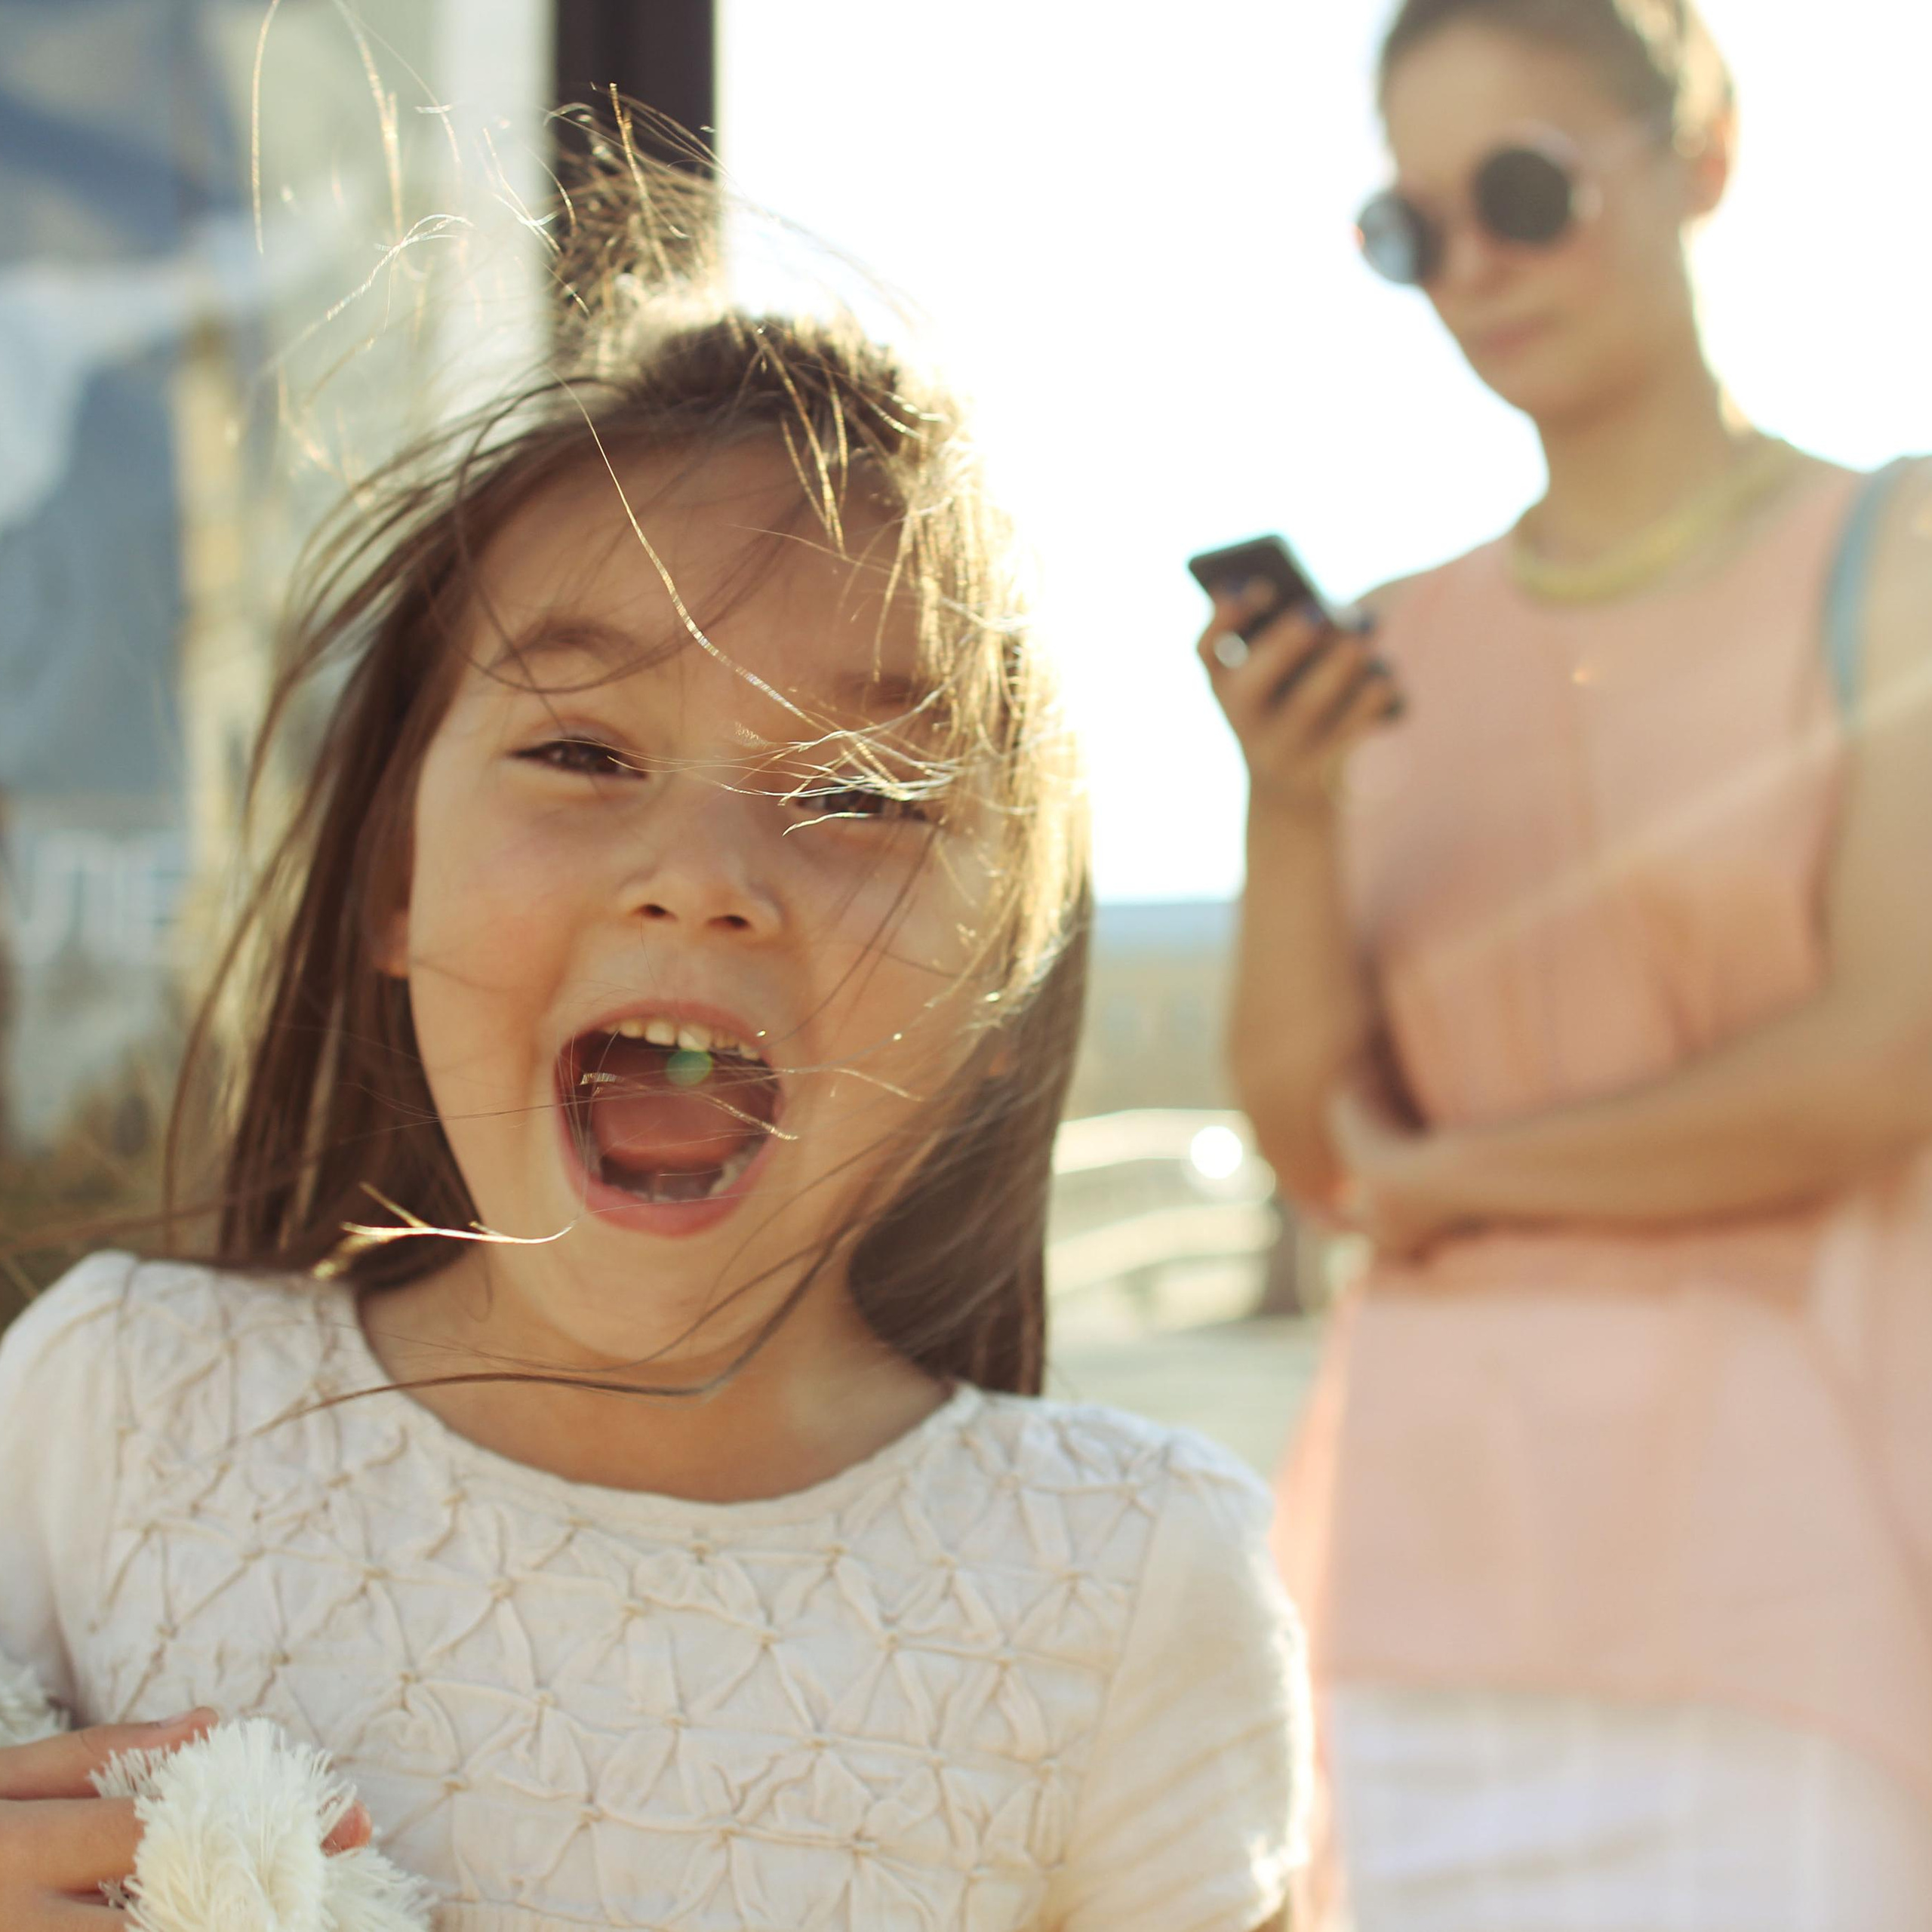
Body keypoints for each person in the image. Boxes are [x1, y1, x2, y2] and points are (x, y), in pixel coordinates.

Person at [0, 155, 1306, 1930]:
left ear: (1003, 987)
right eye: (582, 752)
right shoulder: (105, 1418)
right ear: (390, 880)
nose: (700, 878)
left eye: (858, 792)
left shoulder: (1132, 1582)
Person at [1199, 1, 1932, 1926]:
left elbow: (1878, 1061)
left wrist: (1453, 1186)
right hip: (1435, 1572)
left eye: (1519, 189)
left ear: (1700, 149)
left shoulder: (1897, 551)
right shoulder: (1385, 644)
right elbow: (1313, 1138)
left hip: (1794, 1563)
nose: (1476, 268)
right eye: (1412, 228)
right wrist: (1284, 810)